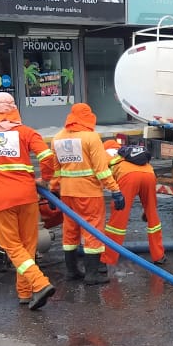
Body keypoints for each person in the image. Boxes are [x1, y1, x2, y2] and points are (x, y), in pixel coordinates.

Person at [0, 93, 59, 309]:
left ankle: (39, 283)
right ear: (14, 109)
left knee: (12, 246)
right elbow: (46, 157)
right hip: (27, 196)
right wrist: (45, 179)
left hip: (0, 199)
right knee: (27, 246)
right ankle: (25, 293)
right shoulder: (26, 132)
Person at [50, 103, 125, 286]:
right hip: (89, 193)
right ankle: (92, 274)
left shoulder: (57, 138)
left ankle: (72, 271)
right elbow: (101, 170)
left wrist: (53, 190)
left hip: (66, 194)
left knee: (70, 229)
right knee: (92, 230)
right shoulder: (91, 137)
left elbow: (56, 171)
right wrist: (115, 190)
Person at [101, 140, 165, 267]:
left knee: (118, 219)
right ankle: (159, 255)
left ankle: (108, 258)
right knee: (152, 214)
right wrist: (147, 209)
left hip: (128, 177)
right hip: (149, 174)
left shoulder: (104, 154)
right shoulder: (127, 152)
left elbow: (101, 175)